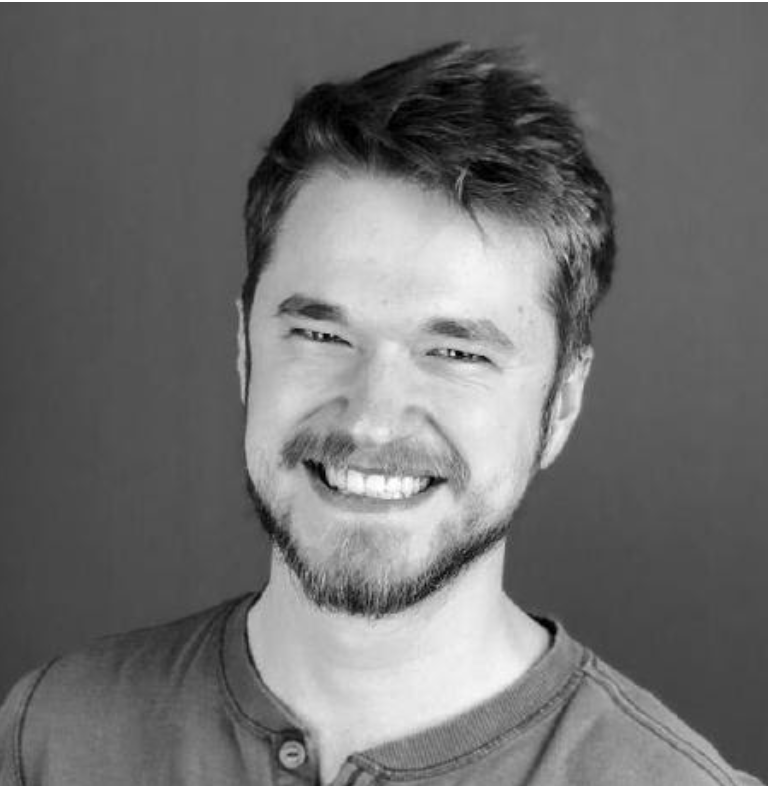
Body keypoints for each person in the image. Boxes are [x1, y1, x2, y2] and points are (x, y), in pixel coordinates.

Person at [0, 42, 762, 786]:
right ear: (244, 350)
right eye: (322, 336)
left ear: (561, 402)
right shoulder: (52, 736)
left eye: (456, 352)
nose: (371, 421)